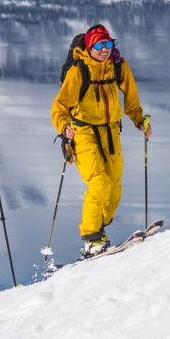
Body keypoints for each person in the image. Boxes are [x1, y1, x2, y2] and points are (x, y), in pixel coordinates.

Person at [51, 23, 150, 257]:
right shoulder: (79, 70)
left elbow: (131, 98)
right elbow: (60, 105)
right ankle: (91, 238)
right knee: (99, 182)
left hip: (111, 131)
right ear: (90, 47)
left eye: (107, 44)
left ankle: (98, 228)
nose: (104, 49)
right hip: (83, 132)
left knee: (114, 187)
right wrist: (64, 127)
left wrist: (139, 120)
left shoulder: (119, 66)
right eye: (98, 45)